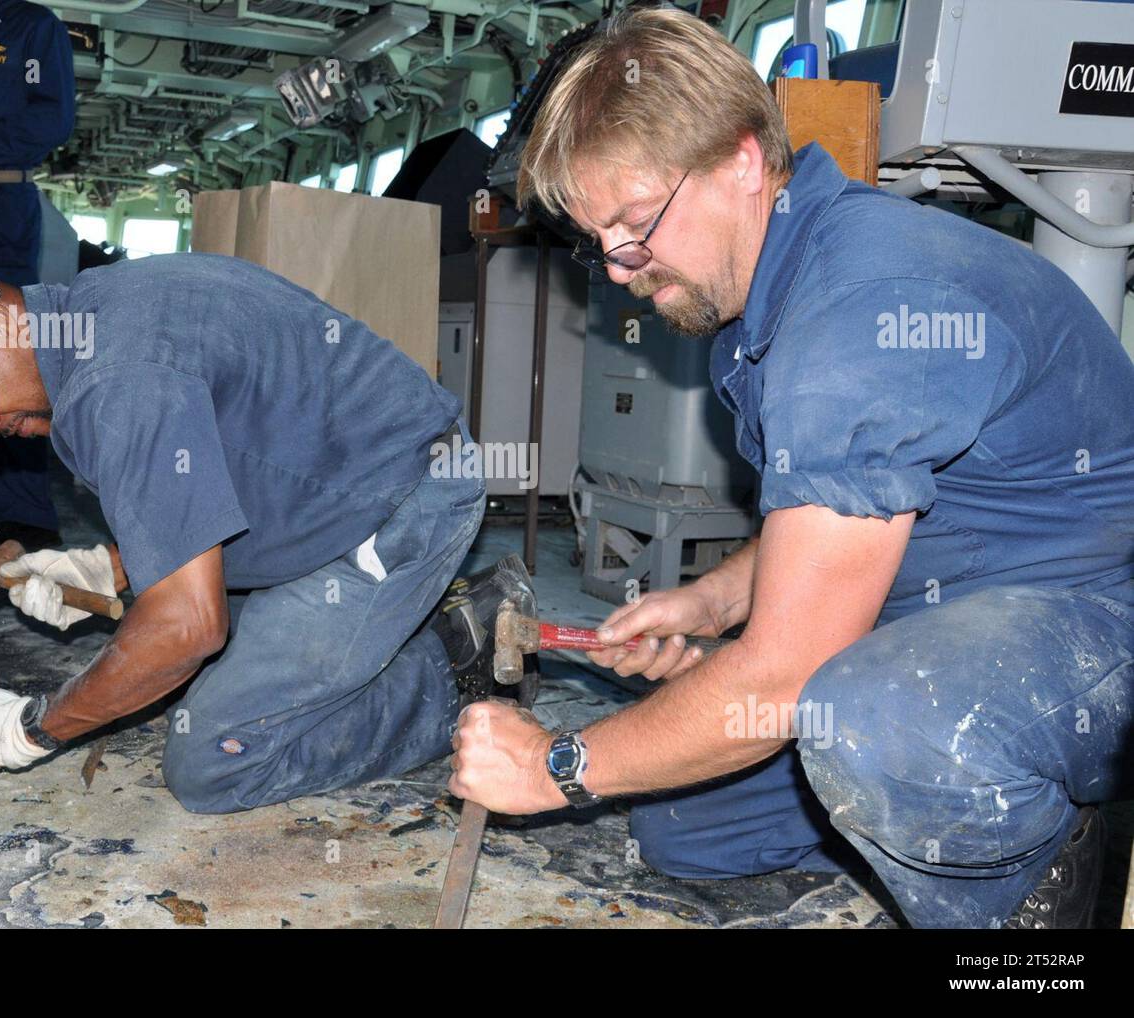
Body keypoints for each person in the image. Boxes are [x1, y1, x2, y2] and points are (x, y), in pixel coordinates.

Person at [448, 7, 1134, 929]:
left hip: (1091, 621)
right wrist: (715, 604)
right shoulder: (776, 281)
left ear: (740, 161)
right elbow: (836, 513)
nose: (616, 267)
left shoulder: (856, 316)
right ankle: (916, 812)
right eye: (596, 239)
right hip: (940, 609)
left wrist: (551, 767)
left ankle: (1042, 908)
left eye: (635, 222)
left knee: (877, 721)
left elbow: (782, 678)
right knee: (685, 824)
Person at [0, 253, 529, 813]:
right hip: (341, 488)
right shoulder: (100, 310)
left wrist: (35, 728)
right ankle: (393, 635)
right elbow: (219, 465)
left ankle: (457, 661)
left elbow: (190, 628)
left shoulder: (116, 384)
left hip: (400, 507)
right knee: (167, 664)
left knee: (213, 758)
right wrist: (110, 567)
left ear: (1, 314)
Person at [0, 0, 75, 551]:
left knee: (5, 353)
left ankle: (22, 514)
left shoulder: (35, 26)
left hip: (1, 199)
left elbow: (53, 117)